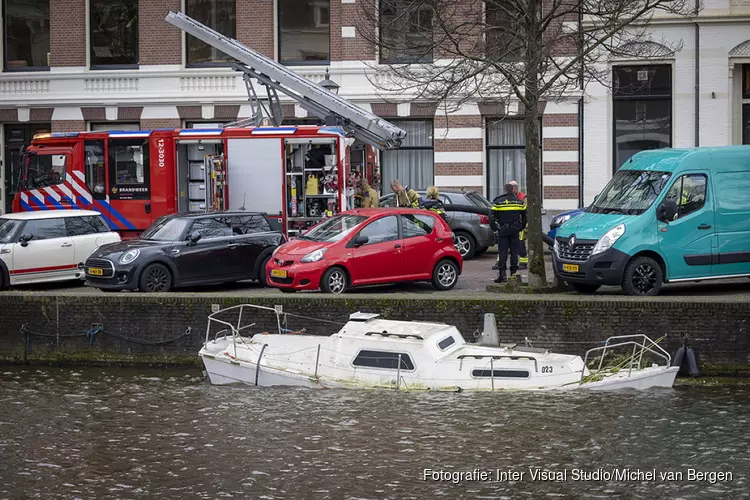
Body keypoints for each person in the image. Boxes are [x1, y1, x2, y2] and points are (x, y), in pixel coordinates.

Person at [490, 182, 527, 283]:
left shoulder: (498, 201)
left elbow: (492, 217)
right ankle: (513, 275)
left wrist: (496, 228)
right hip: (515, 230)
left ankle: (502, 275)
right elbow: (525, 216)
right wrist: (521, 227)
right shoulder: (519, 202)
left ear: (505, 190)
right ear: (513, 190)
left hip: (503, 230)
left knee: (503, 252)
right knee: (514, 253)